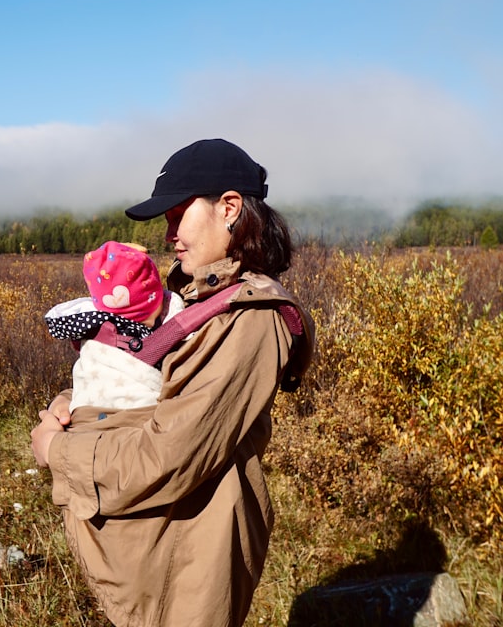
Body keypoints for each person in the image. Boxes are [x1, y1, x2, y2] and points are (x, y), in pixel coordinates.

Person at [31, 138, 314, 627]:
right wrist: (73, 402)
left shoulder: (251, 318)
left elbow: (172, 453)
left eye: (177, 215)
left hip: (193, 556)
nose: (168, 235)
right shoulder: (198, 300)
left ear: (229, 208)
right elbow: (150, 382)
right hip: (166, 546)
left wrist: (58, 451)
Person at [44, 240, 183, 411]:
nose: (152, 322)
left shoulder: (89, 323)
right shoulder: (159, 328)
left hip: (86, 407)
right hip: (136, 410)